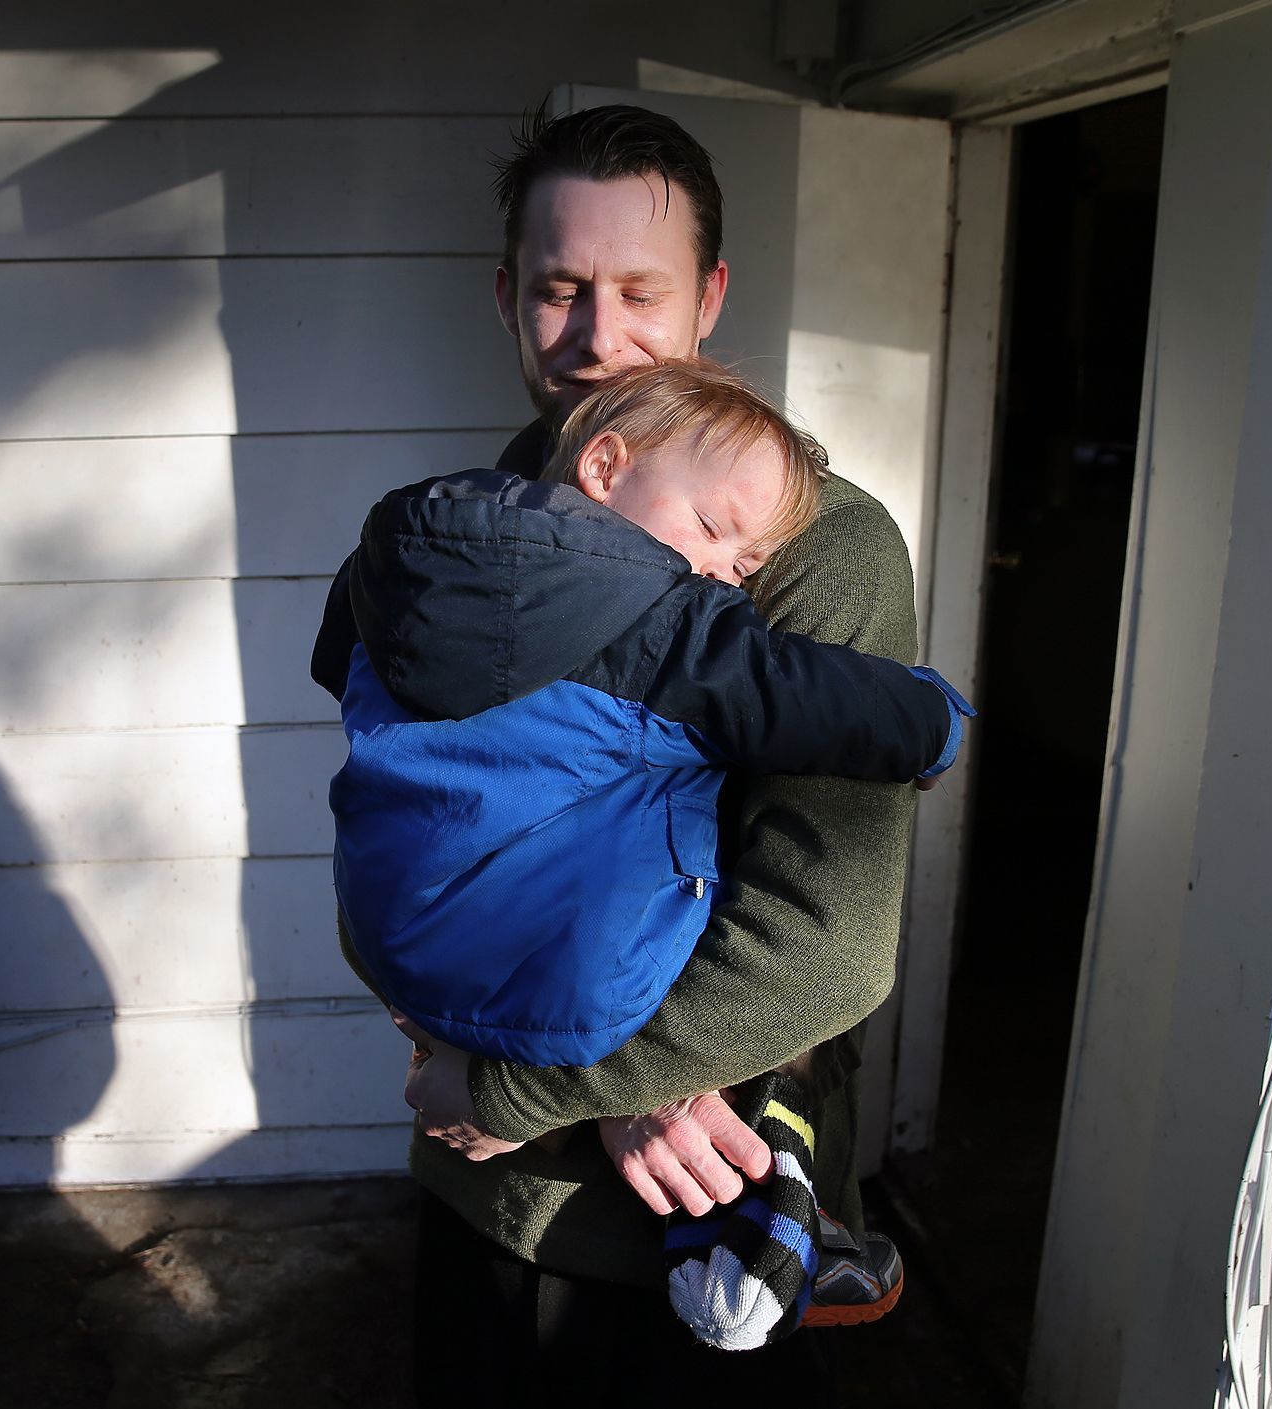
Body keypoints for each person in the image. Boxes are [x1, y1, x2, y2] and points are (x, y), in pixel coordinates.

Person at [367, 102, 930, 1401]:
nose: (598, 336)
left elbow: (827, 937)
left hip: (705, 1214)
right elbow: (396, 832)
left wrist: (560, 1074)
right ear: (508, 295)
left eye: (640, 291)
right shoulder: (462, 539)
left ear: (710, 298)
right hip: (489, 1186)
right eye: (562, 289)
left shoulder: (818, 553)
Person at [315, 358, 967, 1350]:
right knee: (670, 899)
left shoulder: (421, 543)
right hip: (567, 1020)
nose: (719, 575)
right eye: (711, 536)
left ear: (708, 292)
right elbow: (802, 695)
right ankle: (772, 1159)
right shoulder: (656, 621)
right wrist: (933, 722)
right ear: (605, 467)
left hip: (396, 946)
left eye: (746, 570)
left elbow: (338, 660)